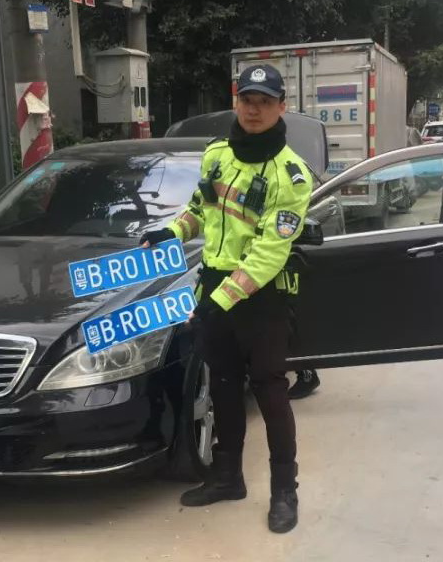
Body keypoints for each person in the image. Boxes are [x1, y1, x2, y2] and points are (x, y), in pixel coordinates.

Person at [139, 64, 312, 534]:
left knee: (270, 391)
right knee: (222, 384)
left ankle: (284, 491)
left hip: (260, 297)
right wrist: (172, 231)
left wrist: (221, 299)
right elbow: (200, 209)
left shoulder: (292, 176)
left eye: (265, 102)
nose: (254, 110)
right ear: (236, 102)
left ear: (281, 107)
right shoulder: (216, 155)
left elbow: (269, 253)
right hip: (215, 286)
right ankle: (227, 477)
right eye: (247, 100)